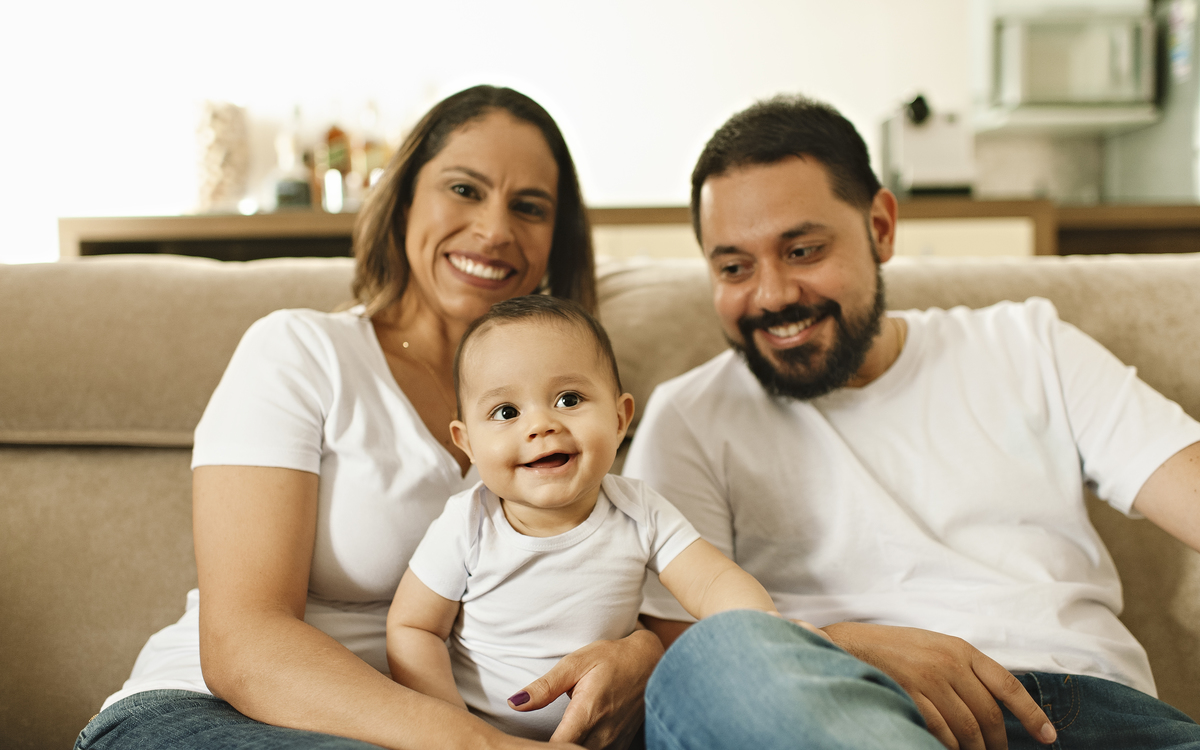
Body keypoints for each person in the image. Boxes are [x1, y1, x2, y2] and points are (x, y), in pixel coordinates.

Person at [75, 86, 660, 750]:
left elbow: (623, 581)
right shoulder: (299, 351)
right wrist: (480, 746)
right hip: (213, 715)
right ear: (405, 197)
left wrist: (644, 658)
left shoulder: (581, 406)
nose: (496, 230)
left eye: (529, 207)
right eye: (465, 190)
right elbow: (243, 643)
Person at [626, 94, 1200, 750]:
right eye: (734, 268)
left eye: (804, 251)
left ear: (881, 228)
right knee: (713, 659)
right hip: (860, 717)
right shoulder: (690, 419)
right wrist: (843, 650)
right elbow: (680, 642)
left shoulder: (1027, 345)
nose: (774, 294)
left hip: (1094, 717)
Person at [386, 294, 806, 742]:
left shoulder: (639, 510)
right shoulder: (468, 524)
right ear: (466, 442)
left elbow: (710, 581)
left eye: (569, 399)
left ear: (620, 418)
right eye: (506, 412)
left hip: (621, 732)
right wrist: (457, 730)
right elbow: (414, 627)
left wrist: (761, 627)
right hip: (491, 737)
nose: (541, 425)